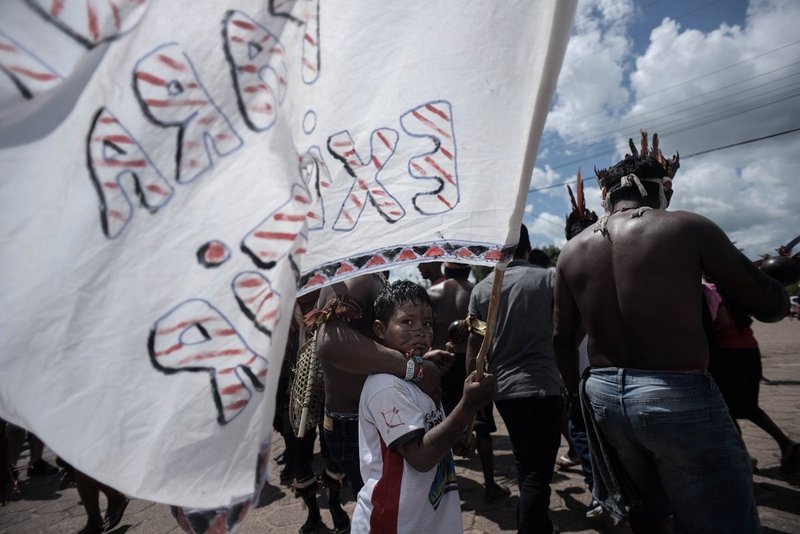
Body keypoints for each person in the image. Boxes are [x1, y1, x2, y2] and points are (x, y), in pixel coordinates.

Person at [553, 132, 789, 533]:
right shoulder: (687, 228)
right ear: (663, 189)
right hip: (674, 392)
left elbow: (561, 338)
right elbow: (770, 307)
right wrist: (779, 274)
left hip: (605, 395)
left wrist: (576, 399)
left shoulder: (573, 250)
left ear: (606, 197)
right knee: (721, 518)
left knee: (647, 511)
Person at [352, 280, 496, 533]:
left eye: (427, 324)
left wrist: (455, 439)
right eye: (407, 322)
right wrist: (467, 406)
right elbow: (420, 456)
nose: (420, 331)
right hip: (395, 522)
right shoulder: (386, 387)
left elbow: (431, 436)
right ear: (380, 329)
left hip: (428, 518)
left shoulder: (422, 380)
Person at [314, 273, 447, 497]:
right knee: (386, 507)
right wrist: (414, 370)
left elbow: (367, 349)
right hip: (355, 423)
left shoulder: (368, 277)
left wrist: (419, 359)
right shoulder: (358, 278)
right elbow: (330, 342)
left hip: (365, 419)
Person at [468, 224, 564, 533]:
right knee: (538, 471)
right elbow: (564, 332)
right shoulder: (547, 279)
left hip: (504, 391)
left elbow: (476, 347)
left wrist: (474, 397)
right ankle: (533, 526)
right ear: (527, 246)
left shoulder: (482, 290)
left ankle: (536, 521)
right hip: (542, 387)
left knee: (526, 462)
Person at [428, 262, 509, 502]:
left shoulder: (432, 294)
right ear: (468, 269)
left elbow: (425, 331)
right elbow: (487, 333)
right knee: (481, 424)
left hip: (441, 364)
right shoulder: (479, 292)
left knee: (439, 424)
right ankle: (491, 484)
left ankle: (439, 486)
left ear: (446, 268)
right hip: (472, 365)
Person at [705, 283, 800, 474]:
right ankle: (778, 447)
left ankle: (747, 456)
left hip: (729, 354)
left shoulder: (710, 290)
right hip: (747, 349)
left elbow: (722, 322)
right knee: (742, 407)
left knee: (732, 409)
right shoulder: (733, 289)